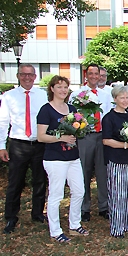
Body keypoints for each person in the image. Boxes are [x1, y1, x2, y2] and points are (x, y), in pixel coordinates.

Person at [37, 75, 88, 242]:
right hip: (54, 158)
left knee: (79, 191)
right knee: (56, 195)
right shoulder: (46, 110)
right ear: (52, 89)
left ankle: (74, 224)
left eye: (65, 87)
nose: (63, 90)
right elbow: (41, 137)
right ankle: (56, 231)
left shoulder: (72, 109)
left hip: (72, 157)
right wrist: (61, 138)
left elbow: (76, 130)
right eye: (59, 87)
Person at [0, 64, 48, 234]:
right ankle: (11, 218)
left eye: (30, 75)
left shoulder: (42, 95)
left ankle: (37, 213)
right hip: (18, 144)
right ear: (18, 76)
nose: (27, 78)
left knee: (40, 181)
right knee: (15, 182)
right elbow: (3, 122)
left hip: (39, 144)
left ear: (35, 77)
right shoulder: (8, 96)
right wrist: (1, 146)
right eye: (23, 75)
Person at [70, 64, 114, 222]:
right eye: (91, 73)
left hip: (102, 136)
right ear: (86, 75)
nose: (95, 76)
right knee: (84, 172)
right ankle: (84, 207)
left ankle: (104, 206)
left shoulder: (105, 95)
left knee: (103, 173)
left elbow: (108, 116)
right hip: (85, 136)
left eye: (97, 74)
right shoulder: (77, 95)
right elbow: (72, 116)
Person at [102, 85, 128, 238]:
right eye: (122, 97)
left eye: (127, 97)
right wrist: (126, 145)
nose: (125, 100)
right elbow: (106, 140)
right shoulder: (109, 118)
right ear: (115, 99)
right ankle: (117, 227)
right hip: (116, 159)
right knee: (118, 194)